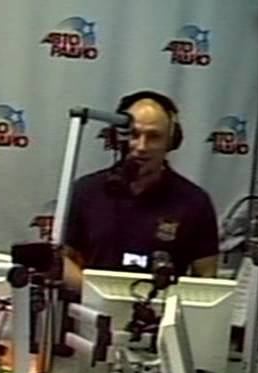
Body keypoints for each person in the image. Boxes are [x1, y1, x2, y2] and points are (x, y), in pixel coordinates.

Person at [63, 91, 219, 291]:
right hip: (92, 307)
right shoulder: (85, 191)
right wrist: (98, 296)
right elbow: (63, 260)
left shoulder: (195, 202)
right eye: (134, 135)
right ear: (117, 138)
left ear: (171, 142)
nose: (142, 146)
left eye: (154, 137)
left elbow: (206, 278)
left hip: (162, 308)